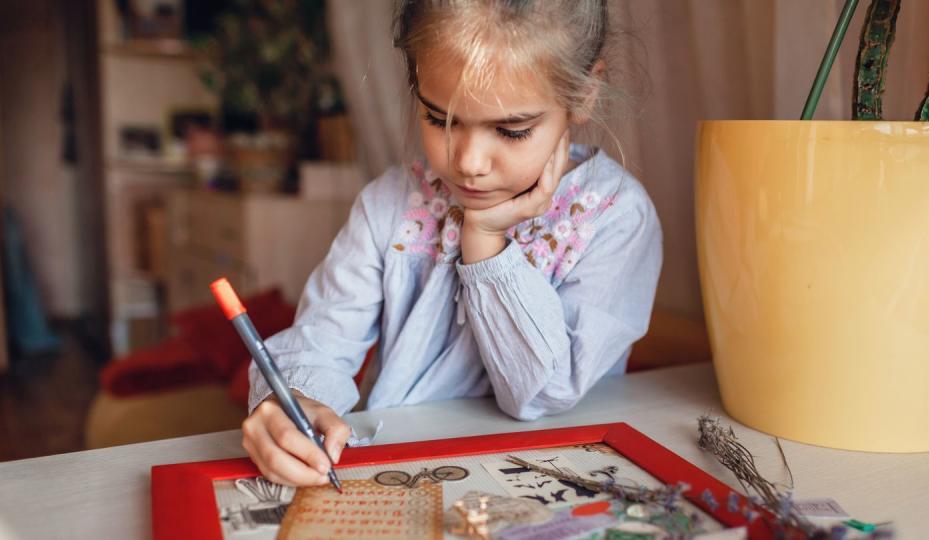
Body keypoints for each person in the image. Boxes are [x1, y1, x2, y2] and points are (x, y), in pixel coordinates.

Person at [241, 0, 662, 487]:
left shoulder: (616, 216)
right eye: (439, 119)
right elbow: (319, 345)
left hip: (551, 482)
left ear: (584, 94)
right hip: (403, 477)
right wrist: (289, 401)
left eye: (511, 129)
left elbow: (541, 395)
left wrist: (484, 241)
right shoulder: (391, 204)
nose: (468, 162)